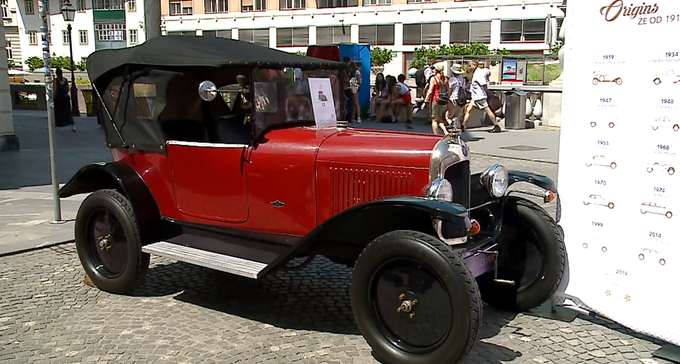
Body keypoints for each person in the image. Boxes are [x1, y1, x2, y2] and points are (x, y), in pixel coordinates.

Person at [462, 60, 502, 133]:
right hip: (475, 95)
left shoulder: (479, 74)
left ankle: (496, 125)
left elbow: (484, 85)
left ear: (474, 65)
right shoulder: (476, 73)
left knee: (487, 110)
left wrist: (486, 93)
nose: (469, 67)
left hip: (479, 96)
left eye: (470, 66)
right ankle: (463, 125)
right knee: (468, 110)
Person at [424, 63, 450, 135]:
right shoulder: (445, 79)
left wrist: (425, 101)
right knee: (440, 119)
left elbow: (430, 91)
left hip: (435, 100)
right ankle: (445, 131)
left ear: (436, 70)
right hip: (443, 101)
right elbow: (449, 90)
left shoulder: (434, 78)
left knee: (434, 120)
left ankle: (436, 135)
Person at [53, 67, 75, 132]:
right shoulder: (65, 80)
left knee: (58, 112)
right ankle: (71, 125)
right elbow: (67, 89)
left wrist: (53, 98)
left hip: (58, 98)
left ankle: (58, 124)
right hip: (65, 98)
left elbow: (55, 90)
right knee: (67, 112)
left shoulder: (56, 80)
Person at [446, 63, 467, 129]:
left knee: (448, 116)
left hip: (453, 99)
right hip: (461, 100)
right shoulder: (463, 80)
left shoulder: (452, 79)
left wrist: (448, 97)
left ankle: (451, 125)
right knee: (457, 117)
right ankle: (458, 133)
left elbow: (450, 89)